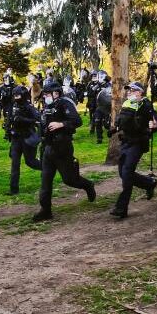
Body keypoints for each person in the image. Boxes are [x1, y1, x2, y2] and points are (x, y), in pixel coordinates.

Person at [33, 80, 96, 222]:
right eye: (45, 94)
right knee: (45, 180)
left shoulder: (64, 103)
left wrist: (61, 124)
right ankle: (45, 210)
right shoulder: (46, 106)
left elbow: (77, 121)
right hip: (48, 148)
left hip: (63, 147)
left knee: (70, 180)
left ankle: (88, 185)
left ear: (56, 93)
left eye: (48, 94)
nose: (46, 96)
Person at [109, 82, 157, 219]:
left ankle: (121, 208)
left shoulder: (146, 106)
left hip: (137, 144)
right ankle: (149, 183)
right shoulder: (127, 104)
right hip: (125, 142)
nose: (129, 92)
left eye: (132, 90)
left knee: (126, 173)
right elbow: (123, 121)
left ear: (140, 92)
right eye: (128, 90)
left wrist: (155, 124)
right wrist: (115, 128)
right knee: (123, 173)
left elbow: (156, 121)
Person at [5, 85, 42, 195]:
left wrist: (23, 120)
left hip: (27, 138)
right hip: (16, 138)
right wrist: (8, 129)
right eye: (15, 95)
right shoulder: (13, 106)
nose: (16, 98)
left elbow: (38, 120)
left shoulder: (29, 107)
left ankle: (47, 168)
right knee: (14, 164)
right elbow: (10, 119)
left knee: (30, 162)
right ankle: (13, 190)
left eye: (18, 95)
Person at [88, 70, 112, 144]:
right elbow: (91, 93)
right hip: (99, 106)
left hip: (107, 107)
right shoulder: (97, 85)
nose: (100, 78)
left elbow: (112, 92)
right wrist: (97, 86)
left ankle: (110, 134)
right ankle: (99, 138)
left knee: (107, 124)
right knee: (97, 121)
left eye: (102, 76)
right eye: (99, 76)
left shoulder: (108, 85)